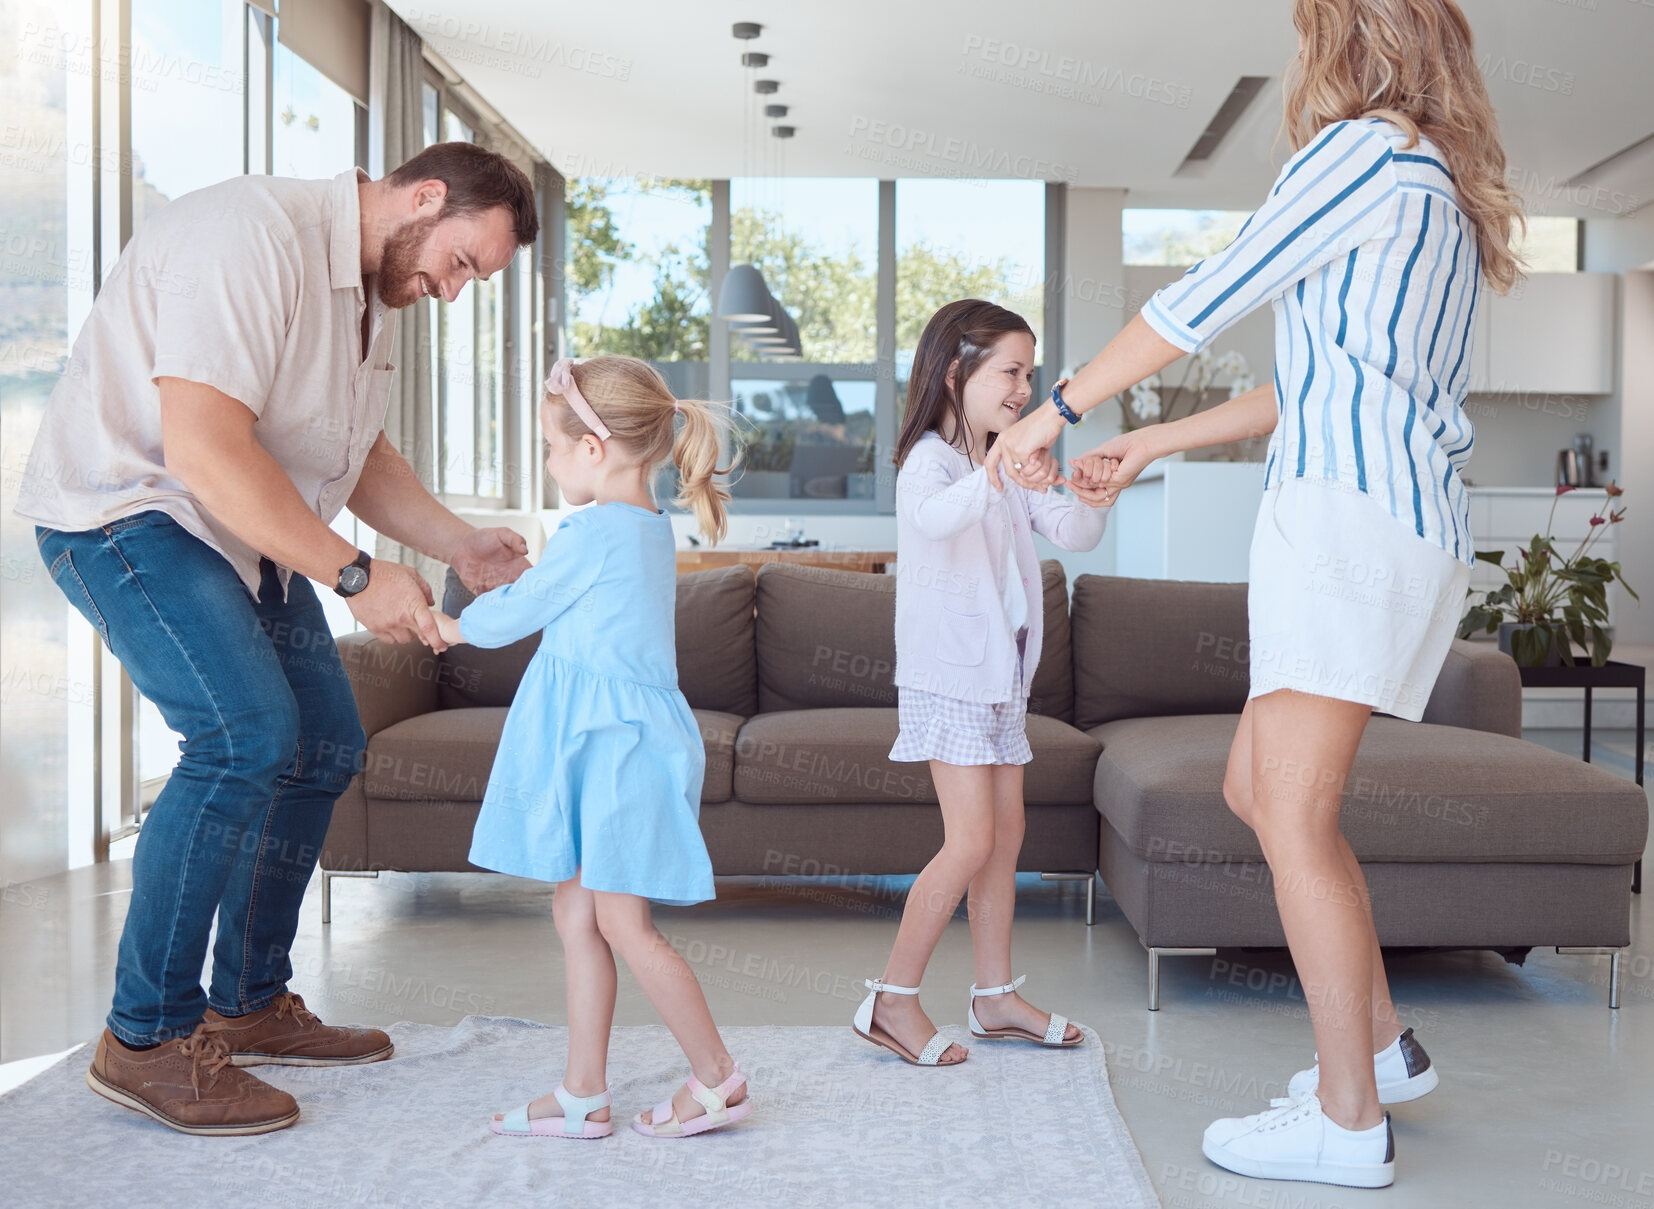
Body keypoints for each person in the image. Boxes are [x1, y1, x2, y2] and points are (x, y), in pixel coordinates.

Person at [988, 0, 1522, 1187]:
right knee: (1254, 784)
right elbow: (1309, 386)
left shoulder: (1360, 152)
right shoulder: (1433, 188)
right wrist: (1152, 447)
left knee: (1287, 810)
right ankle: (1379, 1050)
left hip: (1345, 519)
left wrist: (1053, 410)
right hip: (1399, 520)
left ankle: (1345, 1121)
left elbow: (1203, 296)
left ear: (1343, 40)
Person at [18, 142, 541, 1135]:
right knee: (244, 739)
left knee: (323, 746)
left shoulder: (368, 297)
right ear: (424, 197)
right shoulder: (250, 236)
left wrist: (456, 543)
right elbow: (205, 447)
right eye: (465, 262)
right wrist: (350, 573)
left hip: (236, 532)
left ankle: (248, 1000)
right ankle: (146, 1039)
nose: (456, 290)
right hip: (131, 513)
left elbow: (349, 450)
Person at [422, 356, 753, 1140]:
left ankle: (719, 1077)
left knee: (622, 921)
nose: (548, 461)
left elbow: (518, 613)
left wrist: (453, 625)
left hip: (617, 751)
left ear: (595, 450)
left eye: (550, 446)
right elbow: (572, 603)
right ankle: (582, 1090)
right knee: (577, 909)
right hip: (611, 743)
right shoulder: (640, 527)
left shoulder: (594, 529)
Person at [852, 300, 1116, 1067]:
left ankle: (994, 996)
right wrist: (1005, 464)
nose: (1022, 388)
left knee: (1005, 841)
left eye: (1029, 374)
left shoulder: (1000, 459)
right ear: (954, 370)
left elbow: (1072, 531)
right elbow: (937, 520)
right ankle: (891, 1000)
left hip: (1001, 682)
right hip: (949, 680)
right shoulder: (931, 462)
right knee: (969, 840)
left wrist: (1096, 495)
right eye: (1010, 370)